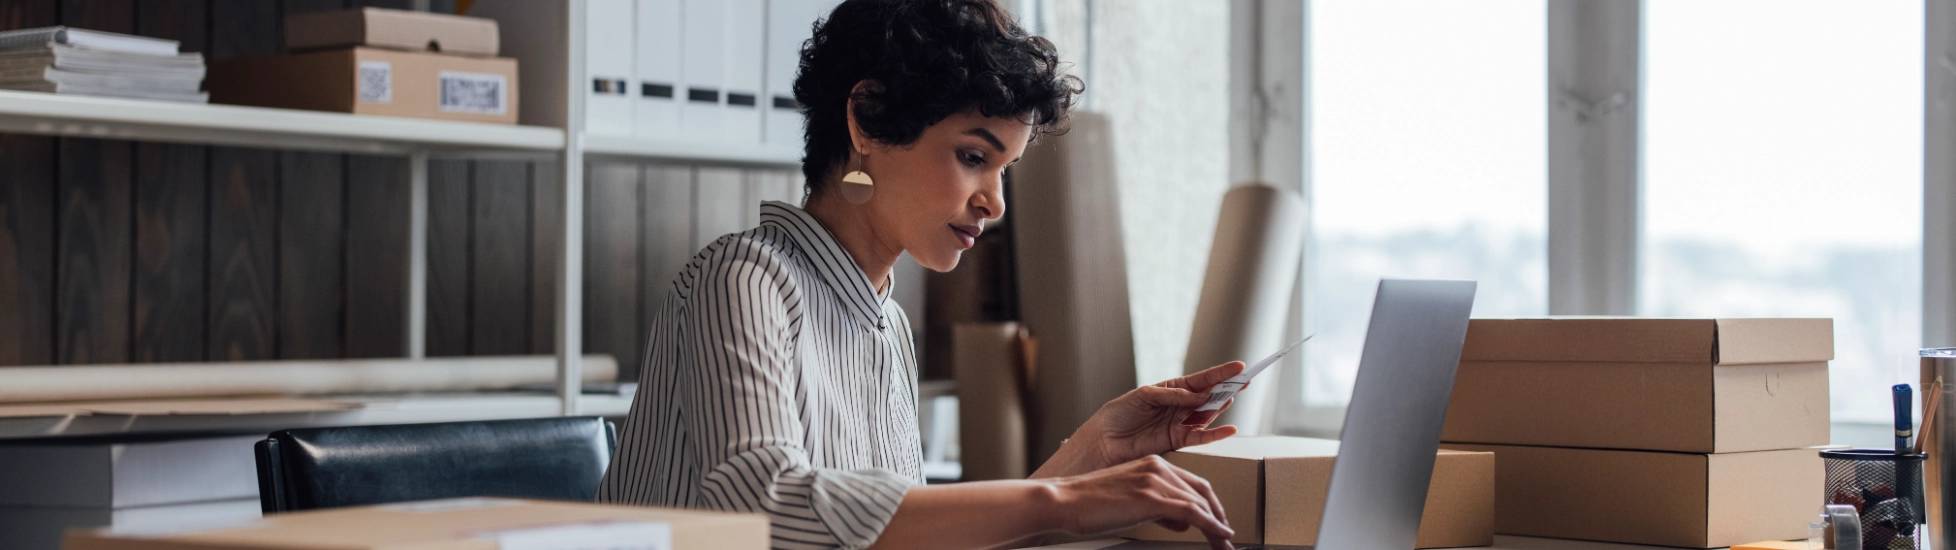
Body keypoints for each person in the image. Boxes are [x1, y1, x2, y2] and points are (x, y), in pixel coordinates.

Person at [597, 1, 1244, 548]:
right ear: (868, 120)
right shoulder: (742, 281)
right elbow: (765, 504)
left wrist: (1094, 451)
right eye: (972, 156)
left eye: (1004, 171)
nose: (996, 203)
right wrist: (1065, 499)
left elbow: (892, 531)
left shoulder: (886, 324)